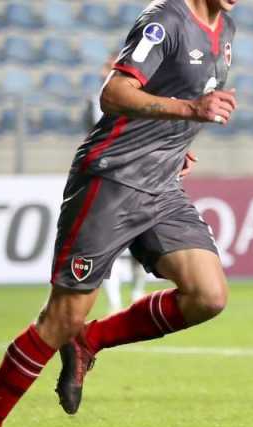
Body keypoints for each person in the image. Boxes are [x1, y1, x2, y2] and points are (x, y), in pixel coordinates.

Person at [0, 0, 237, 427]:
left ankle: (91, 340)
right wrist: (188, 112)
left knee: (209, 295)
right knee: (60, 319)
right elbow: (114, 93)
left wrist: (173, 145)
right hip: (112, 180)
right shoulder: (165, 20)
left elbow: (178, 94)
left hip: (162, 185)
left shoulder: (226, 30)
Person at [83, 54, 153, 313]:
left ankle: (136, 295)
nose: (108, 72)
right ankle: (114, 304)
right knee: (106, 248)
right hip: (105, 180)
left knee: (140, 246)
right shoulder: (94, 103)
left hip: (138, 177)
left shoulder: (141, 101)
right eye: (106, 67)